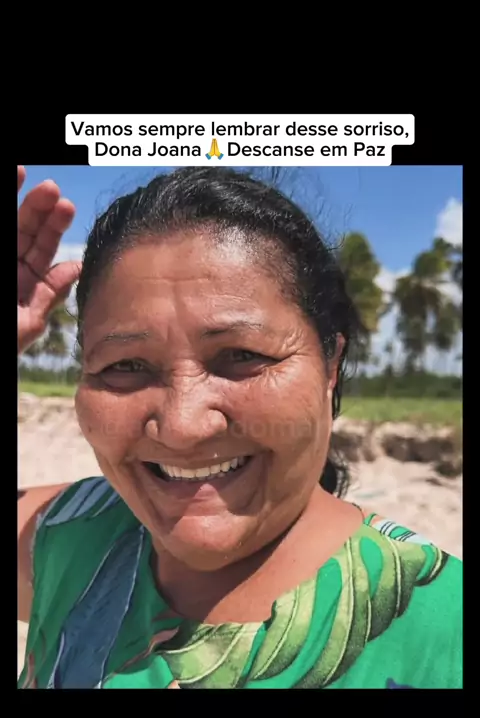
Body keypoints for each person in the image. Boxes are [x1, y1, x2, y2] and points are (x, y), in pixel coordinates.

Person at [17, 164, 463, 689]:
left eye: (242, 356)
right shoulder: (73, 536)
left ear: (330, 366)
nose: (182, 426)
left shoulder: (444, 634)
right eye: (126, 365)